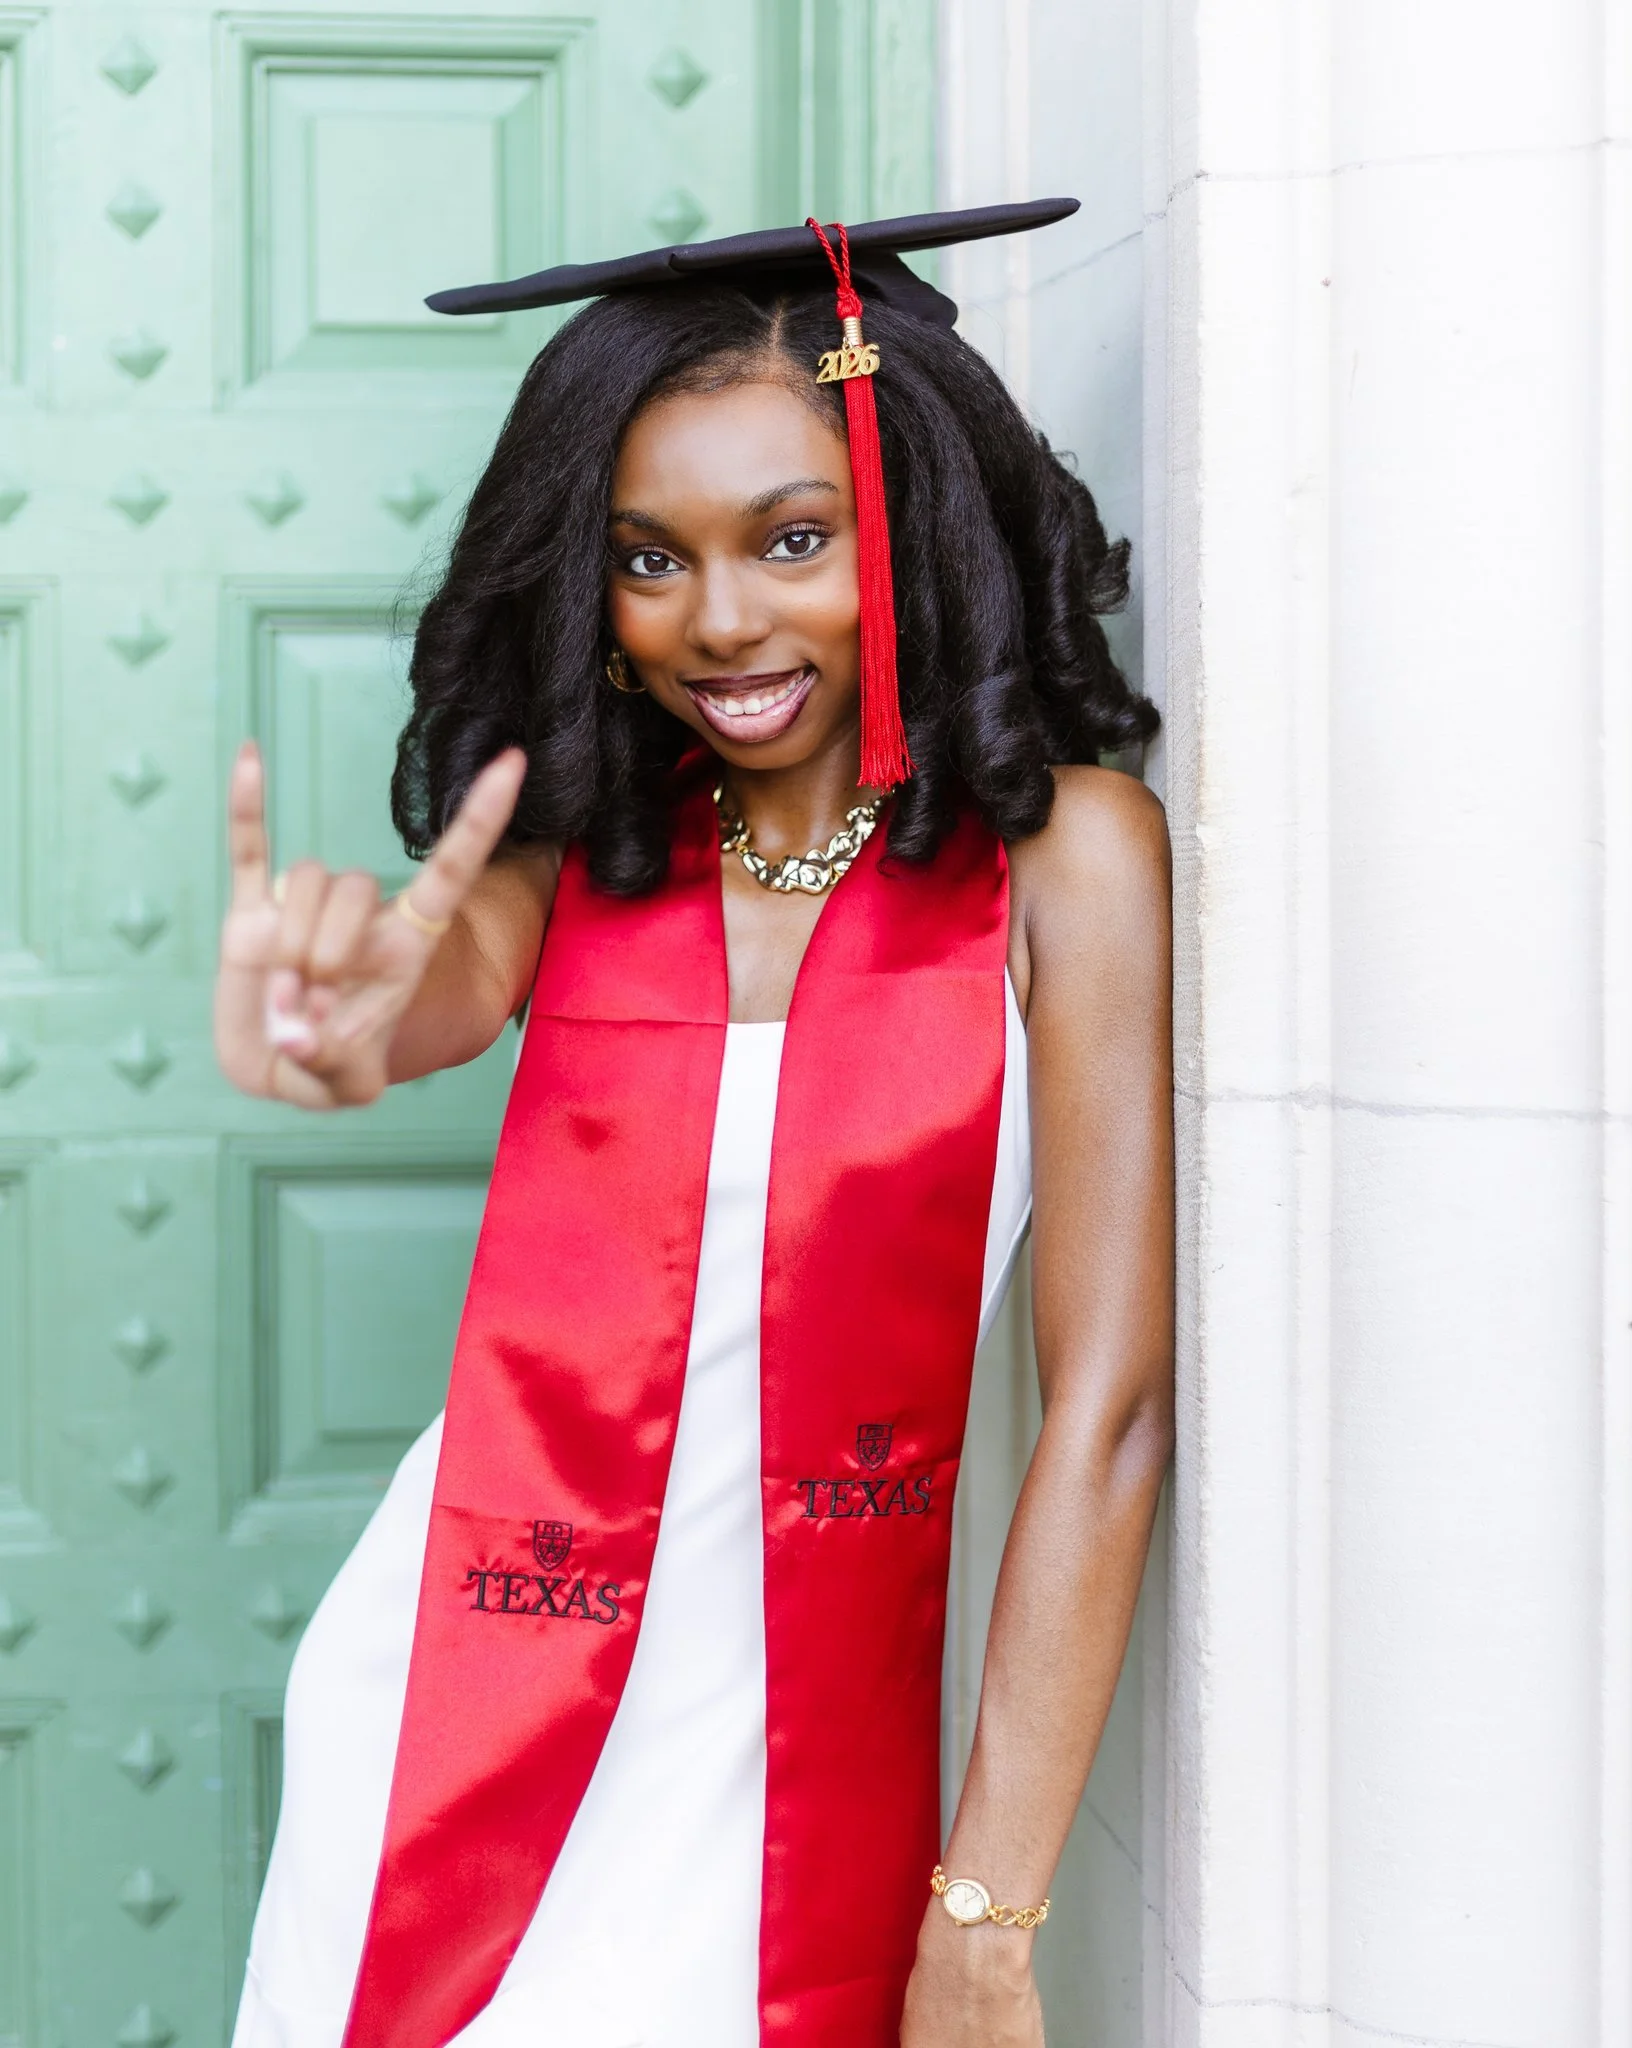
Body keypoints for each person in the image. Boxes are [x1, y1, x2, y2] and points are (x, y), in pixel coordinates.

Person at [217, 202, 1174, 2048]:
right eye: (648, 562)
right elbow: (410, 1004)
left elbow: (1109, 1415)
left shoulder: (1062, 864)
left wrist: (984, 1916)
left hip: (795, 1735)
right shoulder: (584, 850)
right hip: (460, 1693)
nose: (719, 621)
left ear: (914, 530)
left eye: (792, 540)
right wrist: (318, 1012)